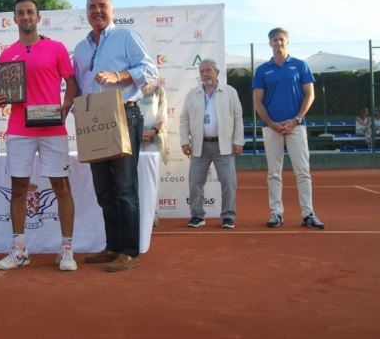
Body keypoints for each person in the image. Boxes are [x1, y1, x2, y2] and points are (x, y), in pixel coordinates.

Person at [0, 0, 79, 271]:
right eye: (21, 13)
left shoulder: (56, 48)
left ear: (38, 17)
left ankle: (66, 249)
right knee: (19, 188)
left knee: (61, 187)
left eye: (30, 12)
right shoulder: (6, 55)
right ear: (15, 19)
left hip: (53, 127)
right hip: (19, 129)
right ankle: (19, 249)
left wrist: (65, 109)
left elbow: (72, 84)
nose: (26, 17)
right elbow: (3, 93)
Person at [73, 0, 158, 272]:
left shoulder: (126, 37)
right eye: (91, 7)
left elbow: (150, 69)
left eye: (102, 6)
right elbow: (78, 83)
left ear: (112, 10)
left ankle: (129, 251)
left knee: (124, 187)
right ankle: (112, 246)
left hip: (124, 113)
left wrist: (119, 76)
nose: (97, 11)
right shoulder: (82, 48)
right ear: (86, 12)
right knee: (104, 190)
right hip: (93, 120)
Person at [253, 27, 324, 229]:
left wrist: (296, 119)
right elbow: (258, 101)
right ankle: (276, 213)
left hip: (296, 127)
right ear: (270, 43)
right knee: (274, 173)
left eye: (281, 39)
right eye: (274, 40)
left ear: (288, 41)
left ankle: (308, 214)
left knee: (303, 172)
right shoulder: (262, 70)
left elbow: (310, 95)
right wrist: (272, 123)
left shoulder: (300, 66)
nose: (278, 43)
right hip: (271, 128)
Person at [180, 59, 244, 229]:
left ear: (217, 73)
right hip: (199, 145)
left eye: (208, 70)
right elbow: (184, 119)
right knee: (195, 182)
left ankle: (228, 216)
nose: (205, 74)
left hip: (224, 145)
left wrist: (238, 141)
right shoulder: (192, 94)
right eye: (201, 71)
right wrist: (184, 141)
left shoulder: (230, 92)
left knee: (228, 182)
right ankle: (197, 216)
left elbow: (238, 117)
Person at [138, 83, 169, 227]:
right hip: (132, 139)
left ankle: (153, 213)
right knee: (134, 178)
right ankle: (137, 214)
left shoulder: (158, 90)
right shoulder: (129, 90)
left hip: (153, 139)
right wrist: (136, 133)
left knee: (152, 178)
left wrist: (153, 131)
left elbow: (163, 116)